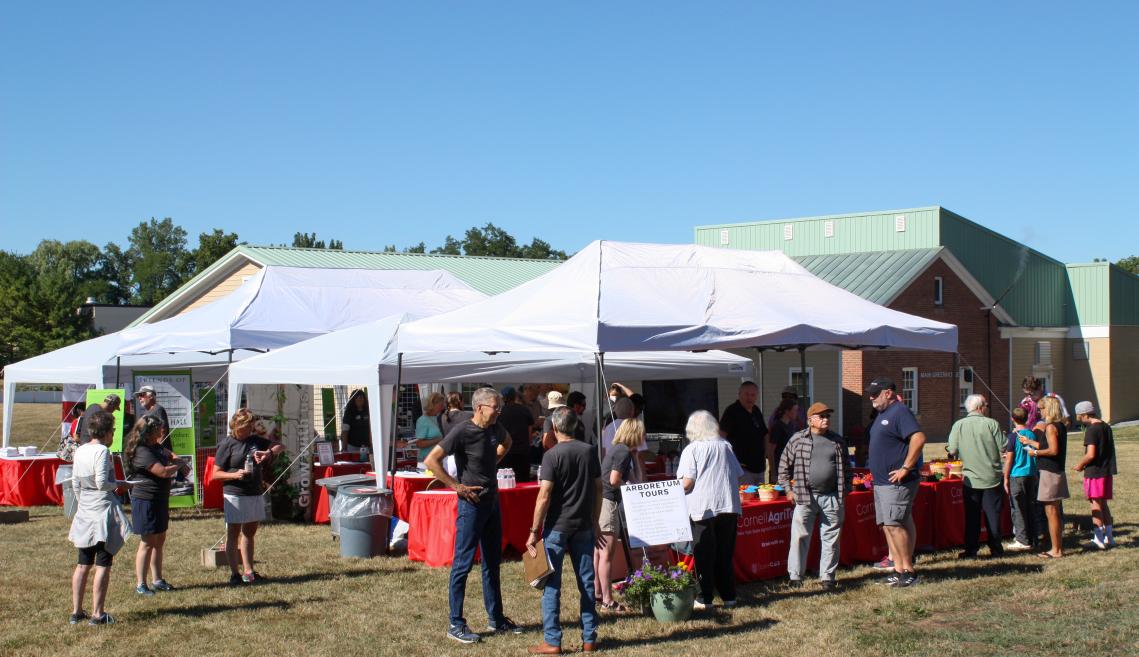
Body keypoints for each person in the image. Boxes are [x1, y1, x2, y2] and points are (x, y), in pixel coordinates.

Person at [423, 387, 521, 644]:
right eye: (494, 407)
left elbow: (507, 443)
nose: (498, 411)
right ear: (479, 408)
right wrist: (456, 486)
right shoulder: (463, 431)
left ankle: (496, 618)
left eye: (499, 407)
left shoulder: (494, 428)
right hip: (471, 505)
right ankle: (455, 623)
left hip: (492, 502)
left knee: (492, 563)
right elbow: (432, 461)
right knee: (463, 564)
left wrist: (491, 464)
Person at [525, 407, 602, 654]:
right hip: (583, 524)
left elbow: (544, 495)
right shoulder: (589, 451)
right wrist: (595, 519)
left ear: (555, 429)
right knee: (586, 583)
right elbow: (599, 489)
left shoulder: (551, 455)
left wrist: (534, 530)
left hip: (557, 526)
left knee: (551, 585)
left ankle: (552, 640)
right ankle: (589, 638)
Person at [68, 409, 131, 625]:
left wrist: (82, 502)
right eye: (113, 430)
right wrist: (120, 485)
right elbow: (102, 483)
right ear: (106, 432)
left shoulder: (81, 450)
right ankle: (98, 613)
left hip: (85, 509)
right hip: (101, 511)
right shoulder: (102, 451)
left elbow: (76, 483)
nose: (114, 433)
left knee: (83, 563)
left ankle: (76, 612)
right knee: (103, 562)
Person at [778, 402, 850, 590]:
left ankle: (827, 576)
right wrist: (788, 489)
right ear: (810, 420)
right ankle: (795, 576)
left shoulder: (838, 441)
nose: (826, 419)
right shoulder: (798, 439)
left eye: (828, 416)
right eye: (822, 416)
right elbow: (783, 466)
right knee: (800, 537)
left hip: (832, 495)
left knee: (831, 538)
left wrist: (845, 490)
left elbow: (847, 469)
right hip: (805, 495)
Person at [678, 410, 743, 609]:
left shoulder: (692, 449)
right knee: (724, 553)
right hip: (728, 505)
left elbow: (687, 483)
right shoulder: (725, 446)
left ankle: (704, 598)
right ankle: (729, 596)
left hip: (702, 508)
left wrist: (672, 488)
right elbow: (738, 474)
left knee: (704, 555)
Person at [212, 408, 283, 585]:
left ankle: (249, 571)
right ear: (236, 426)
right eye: (246, 427)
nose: (249, 430)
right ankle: (234, 574)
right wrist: (234, 475)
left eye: (251, 426)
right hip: (235, 494)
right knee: (233, 533)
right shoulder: (227, 444)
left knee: (249, 533)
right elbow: (215, 474)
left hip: (254, 492)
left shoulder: (254, 440)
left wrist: (269, 453)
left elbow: (279, 445)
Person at [866, 377, 925, 587]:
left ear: (888, 393)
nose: (871, 397)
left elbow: (918, 438)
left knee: (894, 524)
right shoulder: (883, 414)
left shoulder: (900, 411)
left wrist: (906, 468)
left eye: (875, 393)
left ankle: (909, 571)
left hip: (896, 482)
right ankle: (898, 569)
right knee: (887, 526)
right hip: (882, 482)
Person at [124, 416, 184, 595]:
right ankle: (141, 584)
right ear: (149, 431)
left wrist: (176, 459)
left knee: (159, 539)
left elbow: (168, 454)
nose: (162, 431)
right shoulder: (142, 451)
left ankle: (157, 579)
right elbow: (162, 472)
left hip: (160, 498)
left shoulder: (155, 446)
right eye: (159, 428)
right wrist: (180, 464)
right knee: (147, 542)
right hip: (145, 500)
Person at [947, 394, 1006, 559]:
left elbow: (951, 450)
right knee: (993, 515)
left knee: (972, 517)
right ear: (980, 407)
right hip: (992, 477)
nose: (987, 408)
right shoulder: (991, 424)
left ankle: (971, 550)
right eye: (986, 405)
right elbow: (1003, 446)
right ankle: (996, 549)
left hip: (970, 479)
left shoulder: (958, 425)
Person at [594, 417, 644, 611]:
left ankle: (598, 593)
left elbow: (636, 481)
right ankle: (608, 599)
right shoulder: (622, 452)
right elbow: (615, 480)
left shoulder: (623, 451)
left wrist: (636, 458)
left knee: (599, 552)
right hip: (608, 503)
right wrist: (627, 489)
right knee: (606, 554)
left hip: (601, 502)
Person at [1017, 396, 1068, 559]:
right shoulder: (1060, 425)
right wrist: (1030, 442)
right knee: (1054, 511)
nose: (1039, 412)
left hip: (1050, 472)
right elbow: (1047, 446)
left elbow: (1053, 450)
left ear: (1049, 408)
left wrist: (1035, 453)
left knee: (1051, 511)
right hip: (1055, 472)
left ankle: (1056, 550)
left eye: (1041, 409)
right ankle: (1057, 547)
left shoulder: (1051, 427)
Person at [1073, 401, 1117, 549]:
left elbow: (1091, 454)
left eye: (1079, 416)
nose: (1079, 419)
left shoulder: (1091, 430)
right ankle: (1109, 538)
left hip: (1095, 472)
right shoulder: (1106, 426)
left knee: (1095, 505)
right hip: (1106, 471)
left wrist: (1080, 465)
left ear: (1085, 415)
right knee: (1103, 503)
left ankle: (1098, 539)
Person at [1003, 407, 1039, 552]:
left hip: (1017, 475)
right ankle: (1033, 537)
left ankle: (1022, 540)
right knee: (1030, 506)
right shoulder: (1031, 434)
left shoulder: (1013, 437)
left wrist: (1005, 477)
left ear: (1013, 419)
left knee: (1017, 508)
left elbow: (1010, 459)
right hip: (1031, 473)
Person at [718, 381, 769, 485]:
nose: (749, 398)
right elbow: (721, 436)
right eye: (746, 394)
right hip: (741, 469)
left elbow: (765, 434)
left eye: (753, 395)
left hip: (759, 467)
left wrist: (766, 454)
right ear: (739, 394)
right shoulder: (732, 411)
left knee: (761, 500)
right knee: (746, 499)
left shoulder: (756, 411)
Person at [498, 386, 536, 481]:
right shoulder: (525, 410)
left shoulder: (499, 412)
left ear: (503, 398)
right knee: (523, 483)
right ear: (515, 397)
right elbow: (529, 433)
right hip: (523, 452)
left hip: (505, 453)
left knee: (505, 484)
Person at [767, 398, 800, 483]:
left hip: (790, 469)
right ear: (787, 411)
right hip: (779, 469)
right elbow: (770, 451)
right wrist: (774, 473)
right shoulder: (777, 426)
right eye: (795, 410)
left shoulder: (791, 425)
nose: (797, 413)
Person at [415, 392, 446, 462]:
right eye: (441, 405)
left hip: (438, 458)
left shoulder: (438, 417)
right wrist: (438, 440)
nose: (443, 407)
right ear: (433, 405)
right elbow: (419, 444)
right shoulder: (423, 420)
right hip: (426, 459)